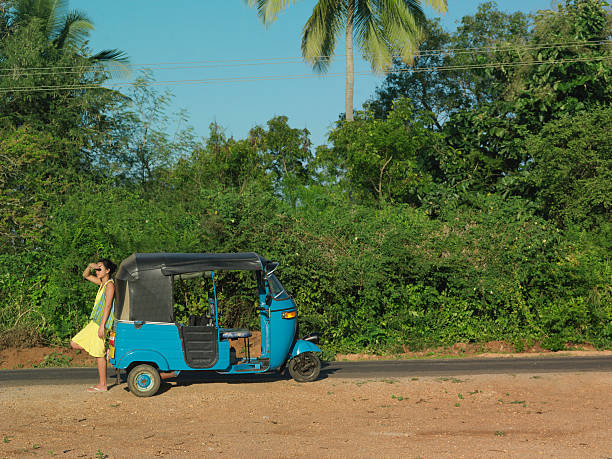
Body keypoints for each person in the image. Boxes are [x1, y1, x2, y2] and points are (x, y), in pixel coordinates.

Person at [70, 258, 116, 392]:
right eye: (96, 269)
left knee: (98, 353)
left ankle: (103, 385)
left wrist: (102, 326)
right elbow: (85, 275)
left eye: (99, 268)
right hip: (94, 322)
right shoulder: (102, 283)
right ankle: (106, 352)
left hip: (100, 323)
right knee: (74, 343)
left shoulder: (110, 285)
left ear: (107, 270)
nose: (97, 271)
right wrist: (90, 266)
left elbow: (108, 306)